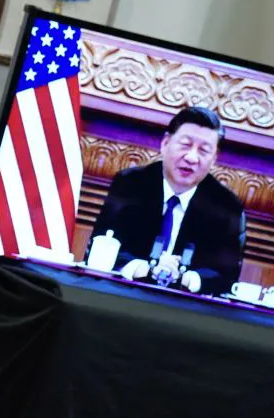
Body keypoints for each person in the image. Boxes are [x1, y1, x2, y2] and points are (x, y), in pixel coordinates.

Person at [87, 106, 245, 296]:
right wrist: (144, 269)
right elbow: (102, 246)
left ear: (214, 158)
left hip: (186, 310)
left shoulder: (226, 206)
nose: (192, 157)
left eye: (203, 150)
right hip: (124, 296)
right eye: (185, 145)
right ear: (165, 143)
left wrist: (185, 278)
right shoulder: (131, 184)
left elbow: (225, 276)